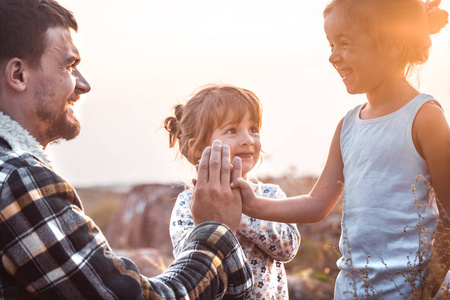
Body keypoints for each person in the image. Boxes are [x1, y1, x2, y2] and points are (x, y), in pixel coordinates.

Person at [0, 0, 253, 299]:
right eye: (69, 66)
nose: (84, 85)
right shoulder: (18, 180)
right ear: (18, 75)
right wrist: (215, 228)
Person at [233, 0, 450, 298]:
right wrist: (253, 204)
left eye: (344, 43)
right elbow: (317, 203)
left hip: (409, 291)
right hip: (351, 290)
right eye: (330, 44)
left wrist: (431, 289)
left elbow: (449, 217)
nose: (333, 56)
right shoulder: (347, 125)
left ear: (390, 44)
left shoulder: (424, 117)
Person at [164, 84, 300, 299]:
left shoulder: (270, 195)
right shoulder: (189, 202)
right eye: (231, 130)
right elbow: (188, 260)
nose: (248, 139)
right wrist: (219, 214)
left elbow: (287, 248)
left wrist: (245, 209)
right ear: (200, 148)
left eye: (254, 129)